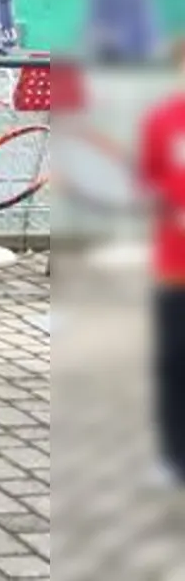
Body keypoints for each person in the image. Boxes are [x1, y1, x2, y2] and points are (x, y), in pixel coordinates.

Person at [134, 44, 185, 487]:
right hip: (174, 269)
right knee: (173, 362)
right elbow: (147, 177)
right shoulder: (163, 119)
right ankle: (173, 457)